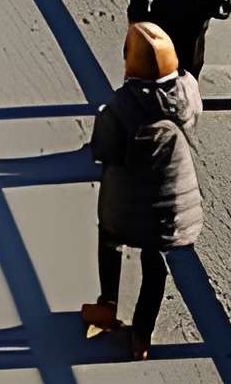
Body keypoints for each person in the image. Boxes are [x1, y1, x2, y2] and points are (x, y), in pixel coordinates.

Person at [80, 21, 203, 360]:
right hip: (173, 209)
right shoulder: (188, 91)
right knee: (155, 262)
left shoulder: (119, 108)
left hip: (125, 208)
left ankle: (107, 306)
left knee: (109, 238)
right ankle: (142, 336)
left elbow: (104, 152)